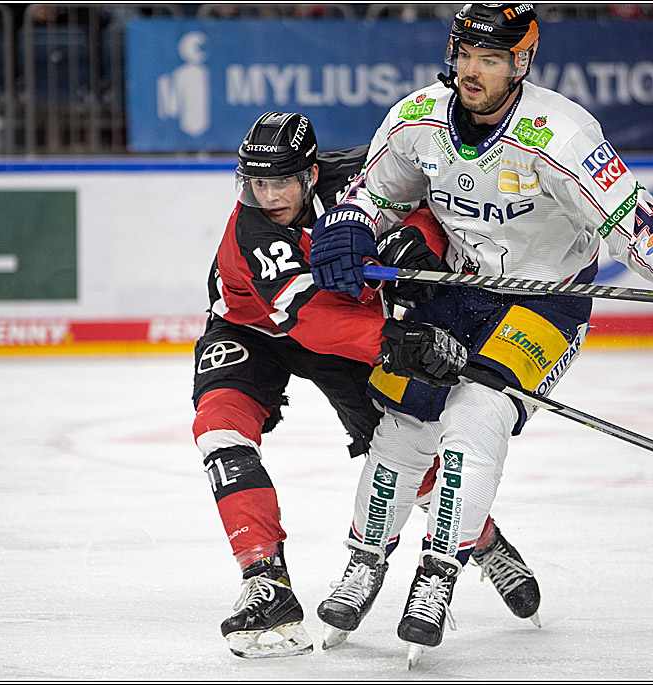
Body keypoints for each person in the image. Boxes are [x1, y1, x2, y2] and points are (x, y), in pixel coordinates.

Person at [309, 3, 653, 667]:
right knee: (403, 417)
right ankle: (366, 562)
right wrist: (349, 224)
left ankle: (438, 573)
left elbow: (629, 217)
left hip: (549, 303)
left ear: (522, 62)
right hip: (458, 288)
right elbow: (379, 193)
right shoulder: (417, 119)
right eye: (464, 55)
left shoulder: (561, 133)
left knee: (478, 413)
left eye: (490, 59)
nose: (472, 71)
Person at [192, 111, 543, 659]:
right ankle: (266, 580)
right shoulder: (252, 231)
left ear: (311, 174)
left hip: (351, 335)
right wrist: (396, 339)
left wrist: (416, 239)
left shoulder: (362, 175)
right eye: (256, 183)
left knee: (402, 456)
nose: (267, 195)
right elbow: (310, 318)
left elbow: (436, 197)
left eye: (280, 180)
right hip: (257, 329)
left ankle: (482, 540)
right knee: (219, 432)